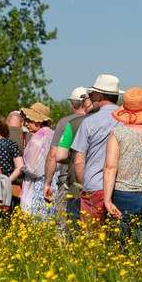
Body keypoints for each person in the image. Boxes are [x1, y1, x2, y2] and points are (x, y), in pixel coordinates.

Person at [103, 87, 142, 255]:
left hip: (122, 195)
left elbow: (110, 167)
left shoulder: (118, 133)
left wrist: (107, 200)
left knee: (120, 248)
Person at [71, 74, 124, 229]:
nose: (90, 98)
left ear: (100, 96)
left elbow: (79, 161)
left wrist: (83, 187)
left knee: (91, 239)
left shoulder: (89, 122)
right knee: (118, 238)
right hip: (120, 187)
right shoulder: (127, 120)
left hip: (94, 186)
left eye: (92, 95)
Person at [43, 87, 88, 229]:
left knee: (65, 226)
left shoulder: (65, 123)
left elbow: (53, 156)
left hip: (67, 181)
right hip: (95, 183)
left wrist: (47, 183)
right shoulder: (95, 120)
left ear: (73, 104)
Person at [54, 93, 95, 237]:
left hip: (78, 188)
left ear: (88, 103)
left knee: (75, 236)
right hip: (108, 191)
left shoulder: (73, 123)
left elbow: (59, 155)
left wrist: (73, 159)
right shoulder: (117, 122)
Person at [19, 102, 59, 220]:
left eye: (29, 120)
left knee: (37, 222)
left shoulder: (37, 137)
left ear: (38, 121)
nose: (26, 123)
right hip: (54, 183)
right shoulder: (55, 135)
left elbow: (33, 169)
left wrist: (22, 168)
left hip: (39, 185)